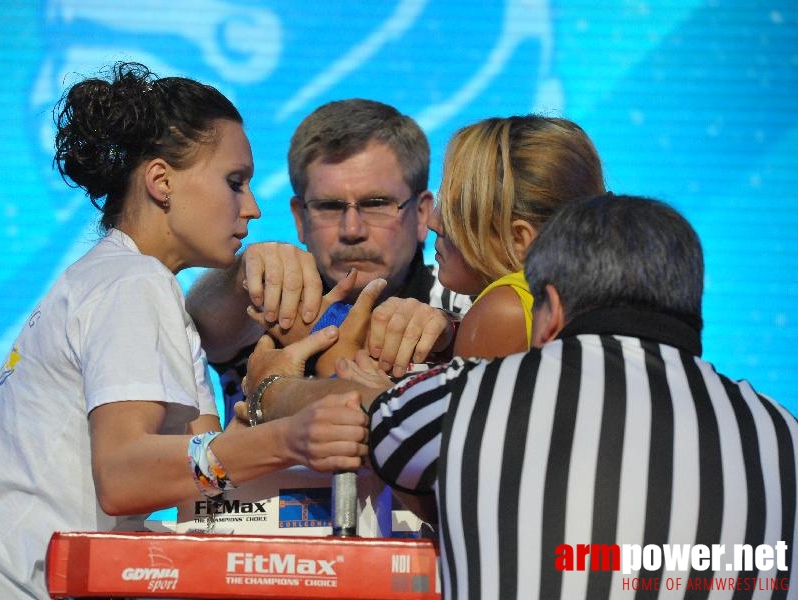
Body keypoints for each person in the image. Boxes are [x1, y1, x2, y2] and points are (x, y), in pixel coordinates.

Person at [0, 62, 368, 599]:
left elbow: (202, 477)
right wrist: (288, 436)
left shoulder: (131, 281)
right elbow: (124, 476)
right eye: (235, 182)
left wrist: (263, 395)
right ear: (161, 182)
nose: (252, 208)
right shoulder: (131, 283)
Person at [242, 193, 798, 600]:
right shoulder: (783, 435)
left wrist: (272, 384)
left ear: (550, 310)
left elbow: (355, 418)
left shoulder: (467, 400)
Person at [185, 98, 473, 421]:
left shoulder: (470, 302)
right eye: (330, 207)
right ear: (299, 219)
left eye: (376, 203)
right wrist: (244, 273)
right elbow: (199, 325)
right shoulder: (267, 303)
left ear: (422, 215)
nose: (352, 230)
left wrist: (451, 333)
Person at [430, 115, 605, 358]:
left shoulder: (506, 309)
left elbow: (463, 398)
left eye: (453, 211)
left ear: (519, 240)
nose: (432, 222)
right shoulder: (595, 292)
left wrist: (374, 388)